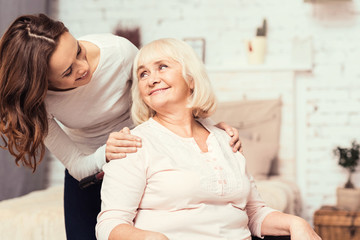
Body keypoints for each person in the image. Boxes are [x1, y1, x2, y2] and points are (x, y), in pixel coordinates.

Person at [0, 14, 242, 240]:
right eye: (68, 72)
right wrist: (106, 152)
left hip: (141, 160)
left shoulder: (118, 52)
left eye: (78, 50)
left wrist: (209, 131)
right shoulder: (35, 103)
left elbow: (161, 99)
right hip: (88, 171)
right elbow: (76, 164)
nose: (83, 67)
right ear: (42, 83)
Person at [96, 38, 322, 240]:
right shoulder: (134, 143)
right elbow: (110, 224)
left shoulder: (225, 139)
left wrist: (296, 223)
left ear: (191, 79)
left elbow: (254, 212)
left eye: (162, 67)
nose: (151, 79)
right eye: (143, 73)